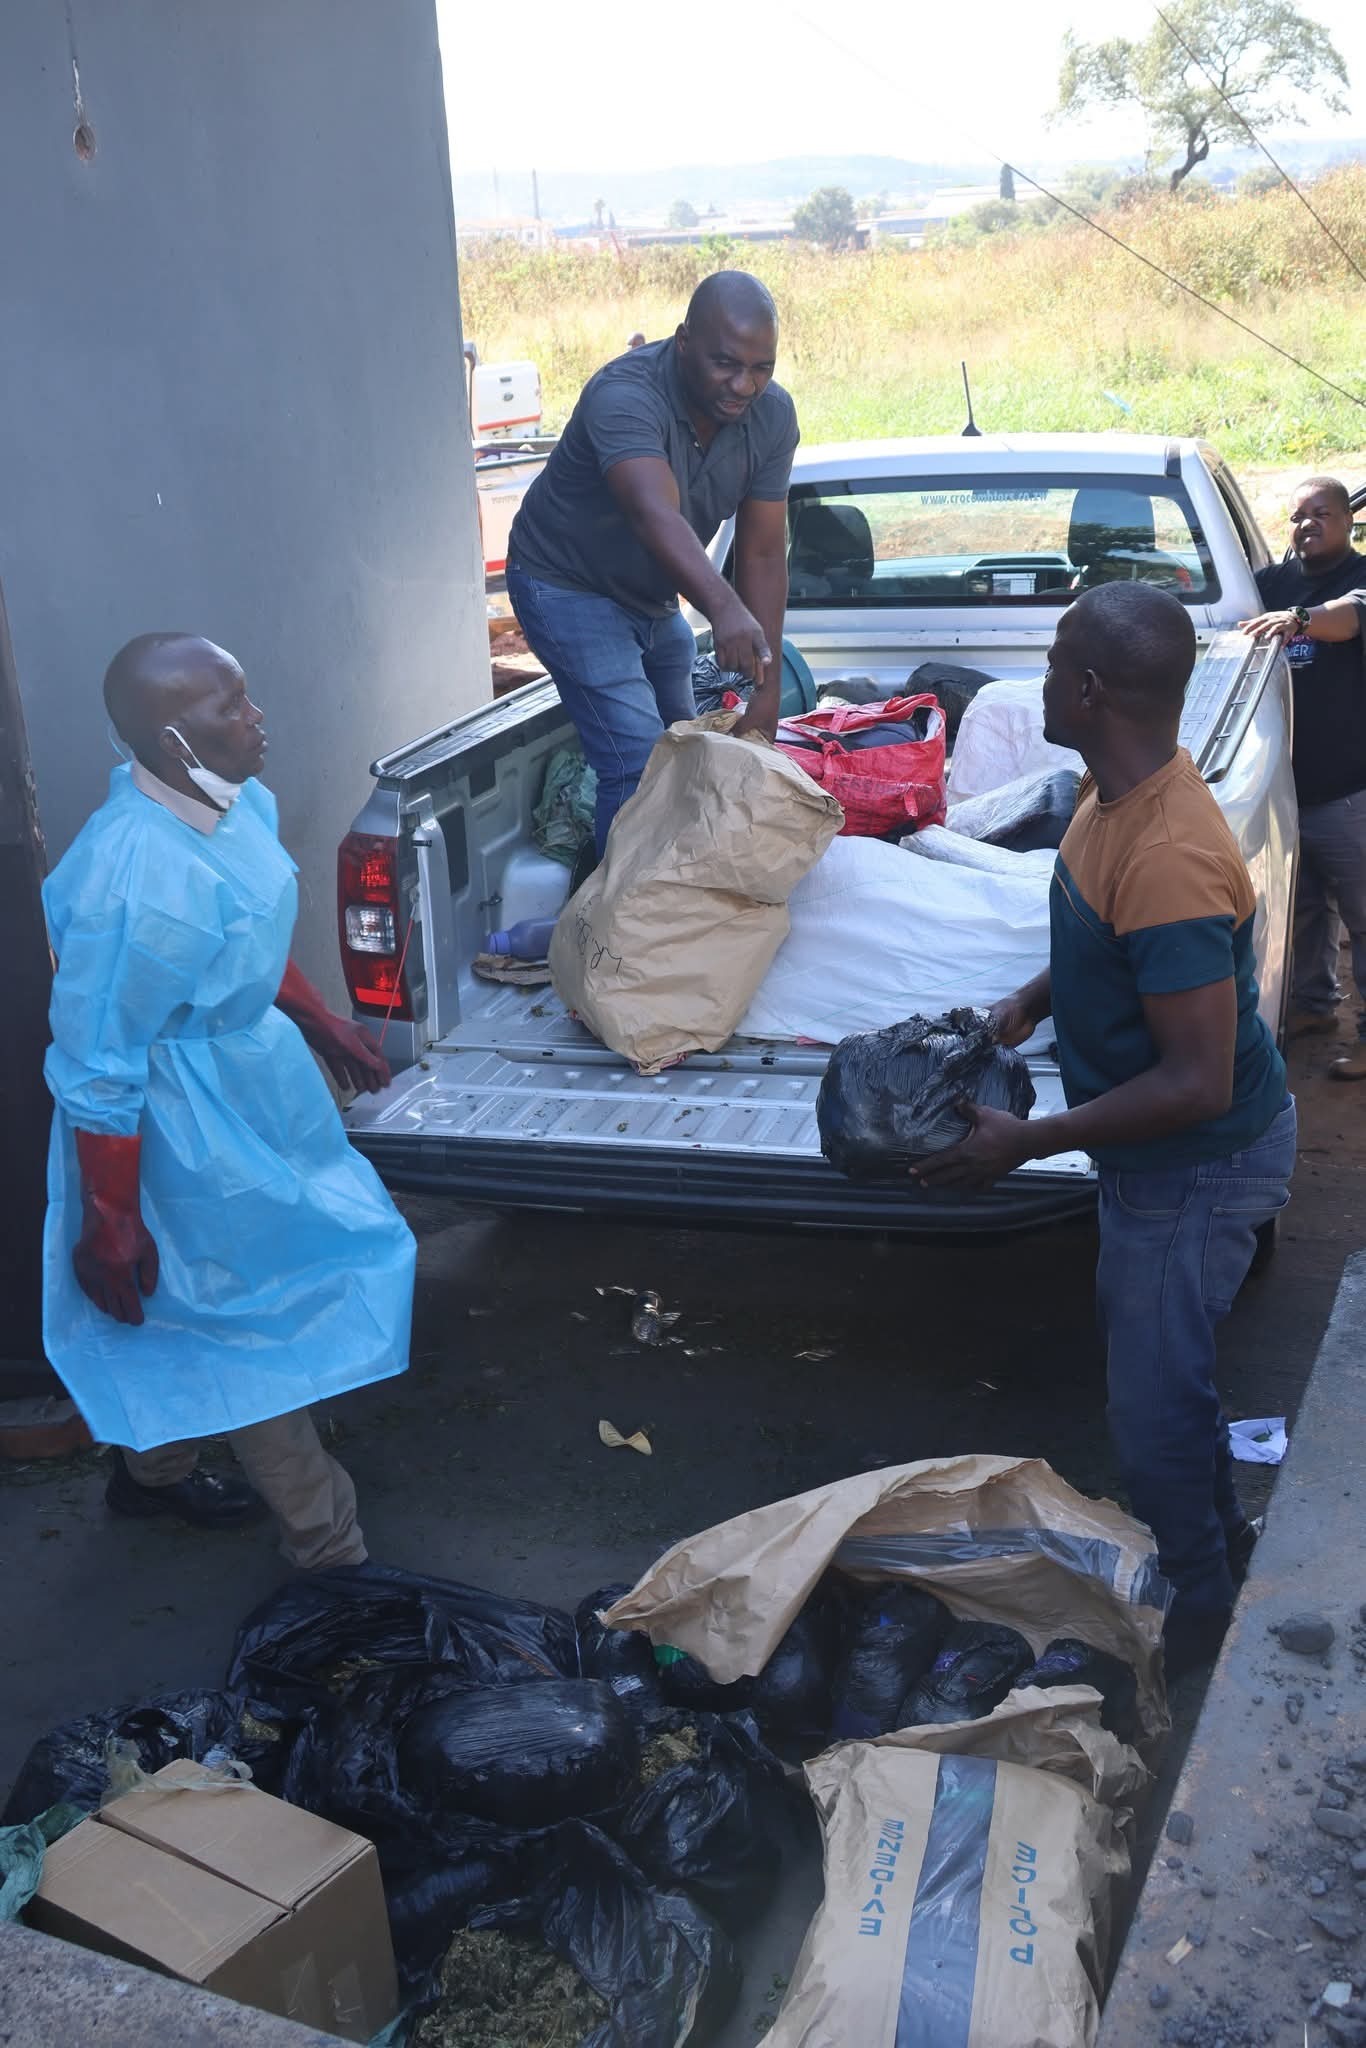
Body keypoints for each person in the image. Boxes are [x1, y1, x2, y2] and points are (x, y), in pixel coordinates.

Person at [919, 584, 1294, 1675]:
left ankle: (1199, 1620)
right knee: (1167, 1381)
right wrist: (1034, 997)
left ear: (1088, 690)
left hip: (1197, 1167)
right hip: (1157, 1162)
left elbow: (1196, 1081)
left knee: (1151, 1410)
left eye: (1050, 664)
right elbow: (1105, 929)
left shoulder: (1170, 853)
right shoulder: (1111, 792)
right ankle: (1221, 1550)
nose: (1038, 681)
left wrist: (1024, 1143)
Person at [42, 634, 416, 1573]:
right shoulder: (132, 876)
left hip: (252, 1081)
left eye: (246, 695)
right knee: (242, 1318)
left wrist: (321, 1021)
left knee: (201, 1299)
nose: (256, 718)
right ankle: (331, 1552)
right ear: (172, 740)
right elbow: (100, 1062)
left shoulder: (232, 804)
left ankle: (152, 1471)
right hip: (171, 1119)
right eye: (230, 706)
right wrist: (110, 1215)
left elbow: (243, 931)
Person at [507, 270, 798, 853]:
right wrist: (724, 609)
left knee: (684, 747)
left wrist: (765, 692)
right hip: (566, 585)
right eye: (725, 364)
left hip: (652, 594)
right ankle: (622, 908)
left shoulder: (771, 416)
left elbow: (764, 550)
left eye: (760, 368)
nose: (744, 384)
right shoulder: (623, 396)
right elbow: (652, 513)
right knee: (638, 760)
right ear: (684, 342)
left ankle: (674, 886)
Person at [1240, 476, 1366, 1077]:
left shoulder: (1357, 579)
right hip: (1284, 790)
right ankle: (1314, 1006)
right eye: (1297, 515)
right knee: (1306, 907)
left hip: (1349, 791)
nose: (1307, 524)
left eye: (1321, 513)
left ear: (1348, 520)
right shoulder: (1270, 584)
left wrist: (1298, 619)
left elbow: (1349, 618)